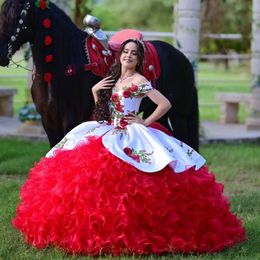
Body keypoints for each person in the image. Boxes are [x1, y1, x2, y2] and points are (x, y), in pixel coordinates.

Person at [12, 39, 246, 256]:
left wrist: (145, 121)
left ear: (139, 59)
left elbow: (164, 103)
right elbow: (105, 110)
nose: (129, 56)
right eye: (126, 52)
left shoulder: (139, 81)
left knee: (138, 177)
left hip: (130, 132)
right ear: (120, 55)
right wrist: (96, 92)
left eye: (134, 53)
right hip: (109, 127)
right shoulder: (115, 80)